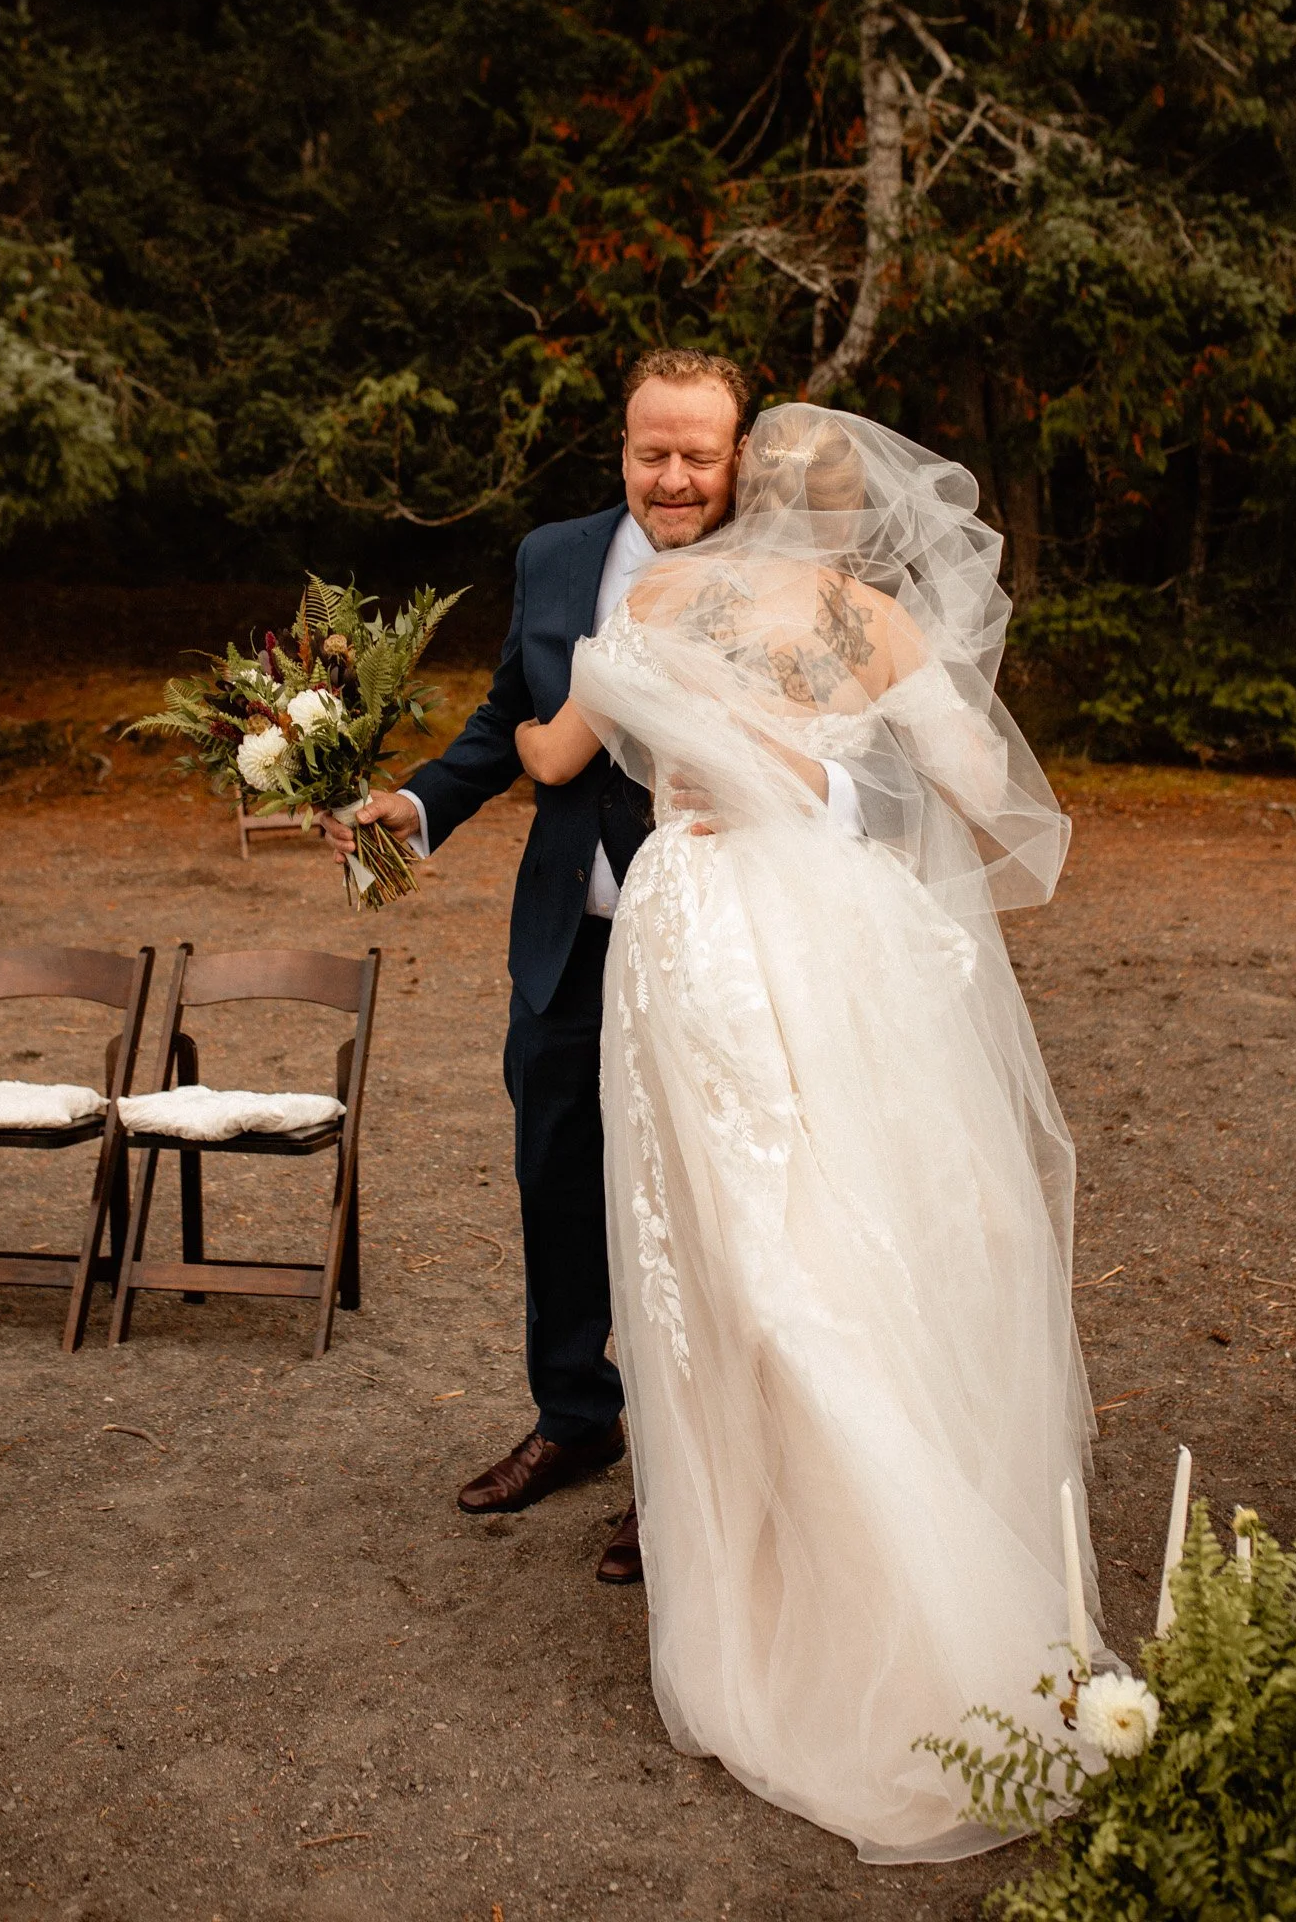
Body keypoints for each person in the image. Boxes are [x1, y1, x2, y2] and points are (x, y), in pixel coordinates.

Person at [515, 405, 1102, 1862]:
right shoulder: (881, 625)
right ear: (859, 514)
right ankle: (894, 1582)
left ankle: (776, 1586)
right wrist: (836, 787)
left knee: (729, 1258)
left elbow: (548, 755)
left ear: (740, 499)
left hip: (696, 933)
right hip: (839, 939)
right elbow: (989, 802)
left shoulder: (654, 598)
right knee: (843, 1232)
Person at [326, 350, 856, 1582]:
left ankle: (689, 1466)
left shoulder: (779, 587)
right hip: (575, 939)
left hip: (726, 950)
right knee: (558, 1179)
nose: (671, 480)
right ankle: (576, 1417)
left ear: (741, 462)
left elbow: (855, 763)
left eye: (698, 456)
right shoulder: (555, 557)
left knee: (707, 1211)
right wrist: (415, 804)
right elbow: (506, 715)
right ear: (619, 450)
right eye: (649, 452)